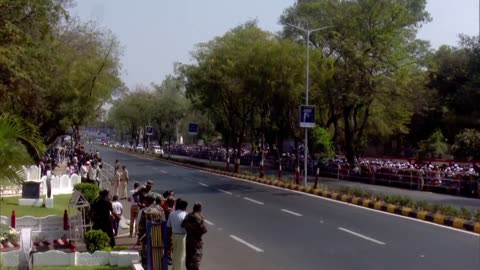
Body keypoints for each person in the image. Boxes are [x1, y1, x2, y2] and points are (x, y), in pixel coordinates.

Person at [138, 194, 166, 269]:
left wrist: (140, 236)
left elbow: (141, 226)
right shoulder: (160, 209)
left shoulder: (145, 211)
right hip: (158, 238)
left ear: (147, 201)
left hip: (147, 237)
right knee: (158, 256)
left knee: (147, 256)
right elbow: (163, 223)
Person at [182, 203, 207, 270]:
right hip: (197, 241)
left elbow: (182, 225)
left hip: (188, 240)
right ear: (199, 208)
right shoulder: (200, 218)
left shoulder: (188, 216)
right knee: (196, 258)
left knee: (189, 258)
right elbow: (204, 230)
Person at [167, 199, 188, 270]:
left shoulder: (172, 213)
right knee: (181, 255)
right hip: (182, 236)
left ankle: (174, 268)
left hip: (174, 235)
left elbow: (168, 226)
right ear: (184, 207)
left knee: (175, 253)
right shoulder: (185, 215)